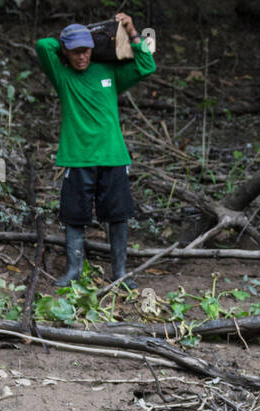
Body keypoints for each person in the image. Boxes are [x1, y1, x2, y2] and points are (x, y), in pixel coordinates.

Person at [35, 14, 156, 288]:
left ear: (94, 49)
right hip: (77, 157)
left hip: (113, 156)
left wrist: (132, 30)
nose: (81, 57)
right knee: (73, 216)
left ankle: (120, 272)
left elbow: (147, 65)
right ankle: (74, 271)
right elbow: (44, 45)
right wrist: (83, 33)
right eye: (75, 52)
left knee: (118, 216)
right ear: (66, 51)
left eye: (86, 50)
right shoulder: (62, 74)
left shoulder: (109, 73)